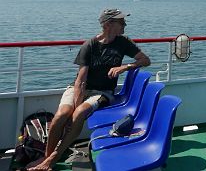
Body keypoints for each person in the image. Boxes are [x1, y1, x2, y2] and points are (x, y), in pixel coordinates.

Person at [28, 9, 151, 171]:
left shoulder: (124, 42)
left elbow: (145, 60)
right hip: (78, 88)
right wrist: (77, 103)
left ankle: (51, 160)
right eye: (121, 22)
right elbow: (80, 80)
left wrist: (125, 67)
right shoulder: (90, 45)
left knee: (79, 113)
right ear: (108, 25)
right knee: (61, 115)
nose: (125, 25)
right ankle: (46, 157)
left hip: (103, 93)